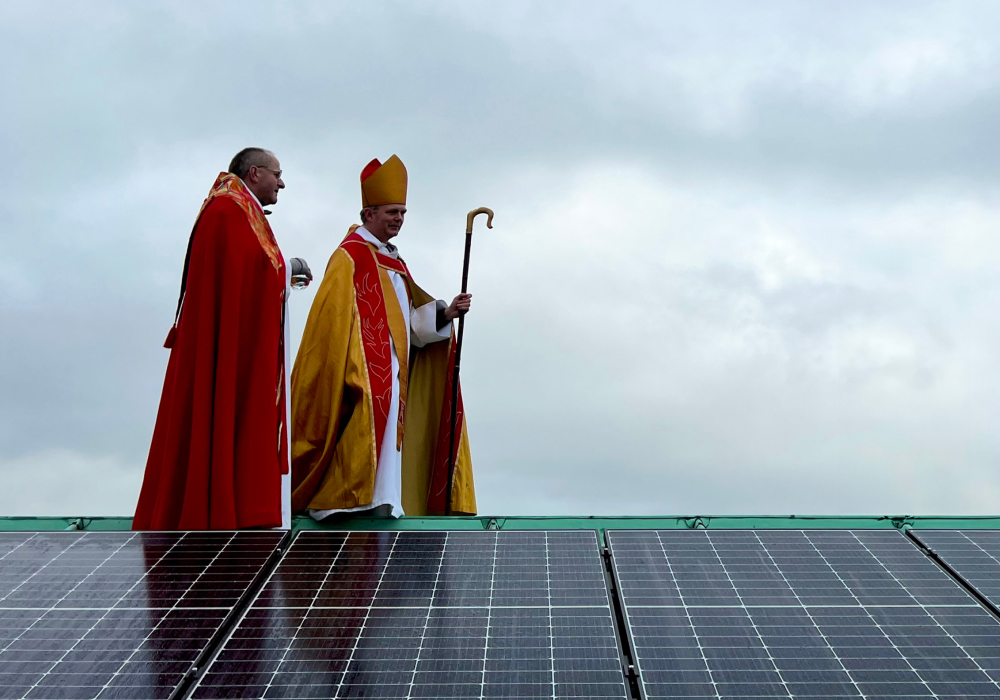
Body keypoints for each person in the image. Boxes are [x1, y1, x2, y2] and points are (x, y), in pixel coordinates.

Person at [132, 148, 312, 530]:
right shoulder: (229, 212)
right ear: (253, 173)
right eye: (277, 174)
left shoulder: (237, 209)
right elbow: (252, 273)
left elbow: (249, 271)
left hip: (240, 339)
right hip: (230, 348)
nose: (282, 182)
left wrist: (282, 272)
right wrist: (289, 270)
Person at [290, 154, 476, 519]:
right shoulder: (351, 257)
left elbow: (407, 325)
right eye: (392, 211)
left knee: (390, 425)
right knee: (361, 420)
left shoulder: (394, 261)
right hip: (357, 366)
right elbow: (332, 319)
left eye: (403, 213)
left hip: (393, 370)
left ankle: (382, 500)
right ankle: (341, 498)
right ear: (369, 213)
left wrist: (445, 313)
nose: (399, 219)